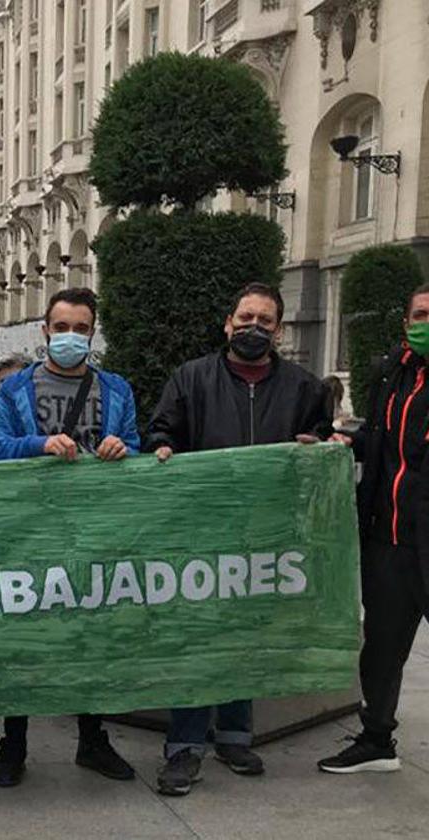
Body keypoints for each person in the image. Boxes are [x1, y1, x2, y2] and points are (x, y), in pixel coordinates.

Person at [145, 282, 332, 796]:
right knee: (199, 637)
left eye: (265, 321)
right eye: (245, 317)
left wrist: (316, 447)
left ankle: (233, 735)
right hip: (201, 533)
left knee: (248, 634)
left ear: (279, 330)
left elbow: (321, 441)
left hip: (267, 537)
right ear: (228, 323)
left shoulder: (305, 387)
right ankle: (183, 748)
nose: (254, 328)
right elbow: (163, 430)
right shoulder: (191, 378)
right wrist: (162, 447)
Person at [0, 287, 140, 788]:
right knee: (24, 636)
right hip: (27, 531)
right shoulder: (12, 391)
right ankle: (14, 743)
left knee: (91, 636)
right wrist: (38, 444)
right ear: (45, 331)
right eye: (62, 327)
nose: (70, 336)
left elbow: (135, 447)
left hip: (93, 532)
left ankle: (93, 739)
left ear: (92, 333)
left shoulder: (116, 389)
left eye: (81, 328)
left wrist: (124, 448)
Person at [318, 284, 429, 775]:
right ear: (407, 322)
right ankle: (377, 739)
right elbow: (379, 443)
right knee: (381, 649)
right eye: (421, 314)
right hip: (389, 540)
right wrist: (340, 443)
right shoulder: (391, 372)